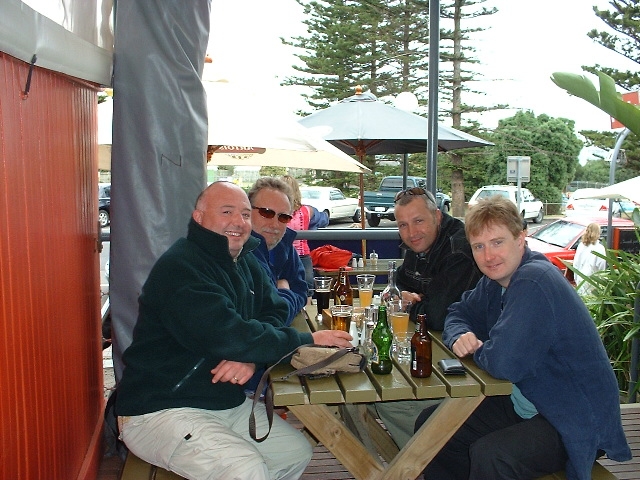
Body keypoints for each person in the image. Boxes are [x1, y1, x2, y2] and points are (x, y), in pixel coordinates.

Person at [116, 181, 352, 480]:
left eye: (244, 214)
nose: (238, 222)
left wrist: (250, 357)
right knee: (244, 468)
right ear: (198, 217)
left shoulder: (244, 260)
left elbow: (274, 310)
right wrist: (306, 340)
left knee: (294, 452)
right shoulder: (182, 267)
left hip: (222, 400)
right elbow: (228, 335)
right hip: (160, 409)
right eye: (226, 212)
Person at [415, 195, 631, 480]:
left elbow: (504, 363)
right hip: (529, 402)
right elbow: (457, 312)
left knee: (492, 455)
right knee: (432, 426)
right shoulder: (494, 282)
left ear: (520, 239)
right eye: (479, 246)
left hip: (573, 416)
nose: (488, 256)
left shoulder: (533, 280)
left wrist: (478, 347)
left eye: (497, 242)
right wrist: (459, 335)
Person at [373, 187, 483, 448]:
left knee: (388, 399)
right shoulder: (420, 243)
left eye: (418, 221)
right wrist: (413, 299)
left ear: (437, 216)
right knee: (366, 394)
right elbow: (399, 286)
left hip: (470, 367)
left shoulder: (458, 250)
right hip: (436, 349)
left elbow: (436, 317)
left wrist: (412, 304)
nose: (411, 232)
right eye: (403, 225)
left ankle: (428, 461)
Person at [247, 177, 308, 325]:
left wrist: (280, 298)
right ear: (247, 211)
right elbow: (272, 317)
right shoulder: (242, 252)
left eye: (283, 217)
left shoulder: (284, 243)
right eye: (266, 213)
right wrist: (285, 290)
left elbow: (301, 291)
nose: (274, 224)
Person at [281, 175, 329, 290]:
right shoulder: (308, 211)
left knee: (282, 286)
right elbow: (324, 220)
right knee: (307, 289)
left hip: (281, 255)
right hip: (303, 256)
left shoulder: (275, 212)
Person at [573, 222, 607, 295]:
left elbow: (575, 264)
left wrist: (576, 278)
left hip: (580, 278)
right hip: (593, 281)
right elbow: (601, 267)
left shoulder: (581, 246)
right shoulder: (600, 248)